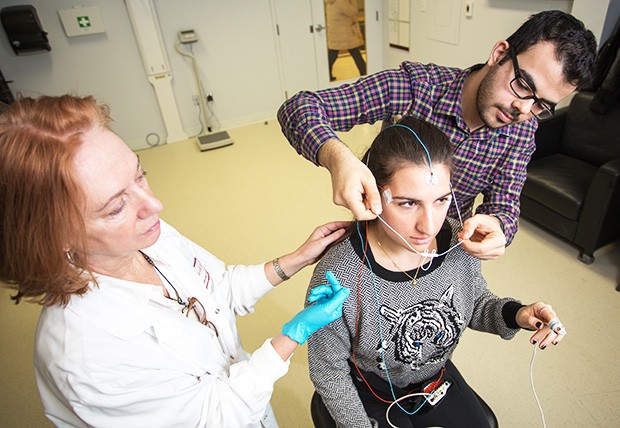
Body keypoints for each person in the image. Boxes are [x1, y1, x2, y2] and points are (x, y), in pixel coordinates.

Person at [0, 94, 351, 427]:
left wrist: (296, 259)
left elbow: (218, 289)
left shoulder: (147, 234)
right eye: (116, 206)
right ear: (52, 237)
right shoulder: (85, 357)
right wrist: (292, 335)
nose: (154, 206)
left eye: (139, 175)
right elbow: (216, 416)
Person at [305, 116, 567, 427]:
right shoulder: (338, 276)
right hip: (369, 390)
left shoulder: (457, 241)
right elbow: (328, 370)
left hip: (434, 378)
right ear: (371, 195)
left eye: (441, 200)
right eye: (407, 203)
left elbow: (474, 304)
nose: (429, 226)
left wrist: (518, 314)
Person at [278, 10, 597, 260]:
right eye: (523, 85)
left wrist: (498, 228)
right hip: (379, 233)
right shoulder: (416, 87)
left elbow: (505, 205)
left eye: (540, 105)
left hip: (443, 250)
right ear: (499, 54)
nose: (521, 109)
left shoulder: (522, 131)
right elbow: (299, 109)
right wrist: (339, 158)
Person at [325, 0, 367, 81]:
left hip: (337, 33)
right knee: (356, 53)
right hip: (344, 33)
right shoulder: (341, 1)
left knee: (332, 55)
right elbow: (352, 11)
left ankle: (327, 75)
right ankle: (364, 73)